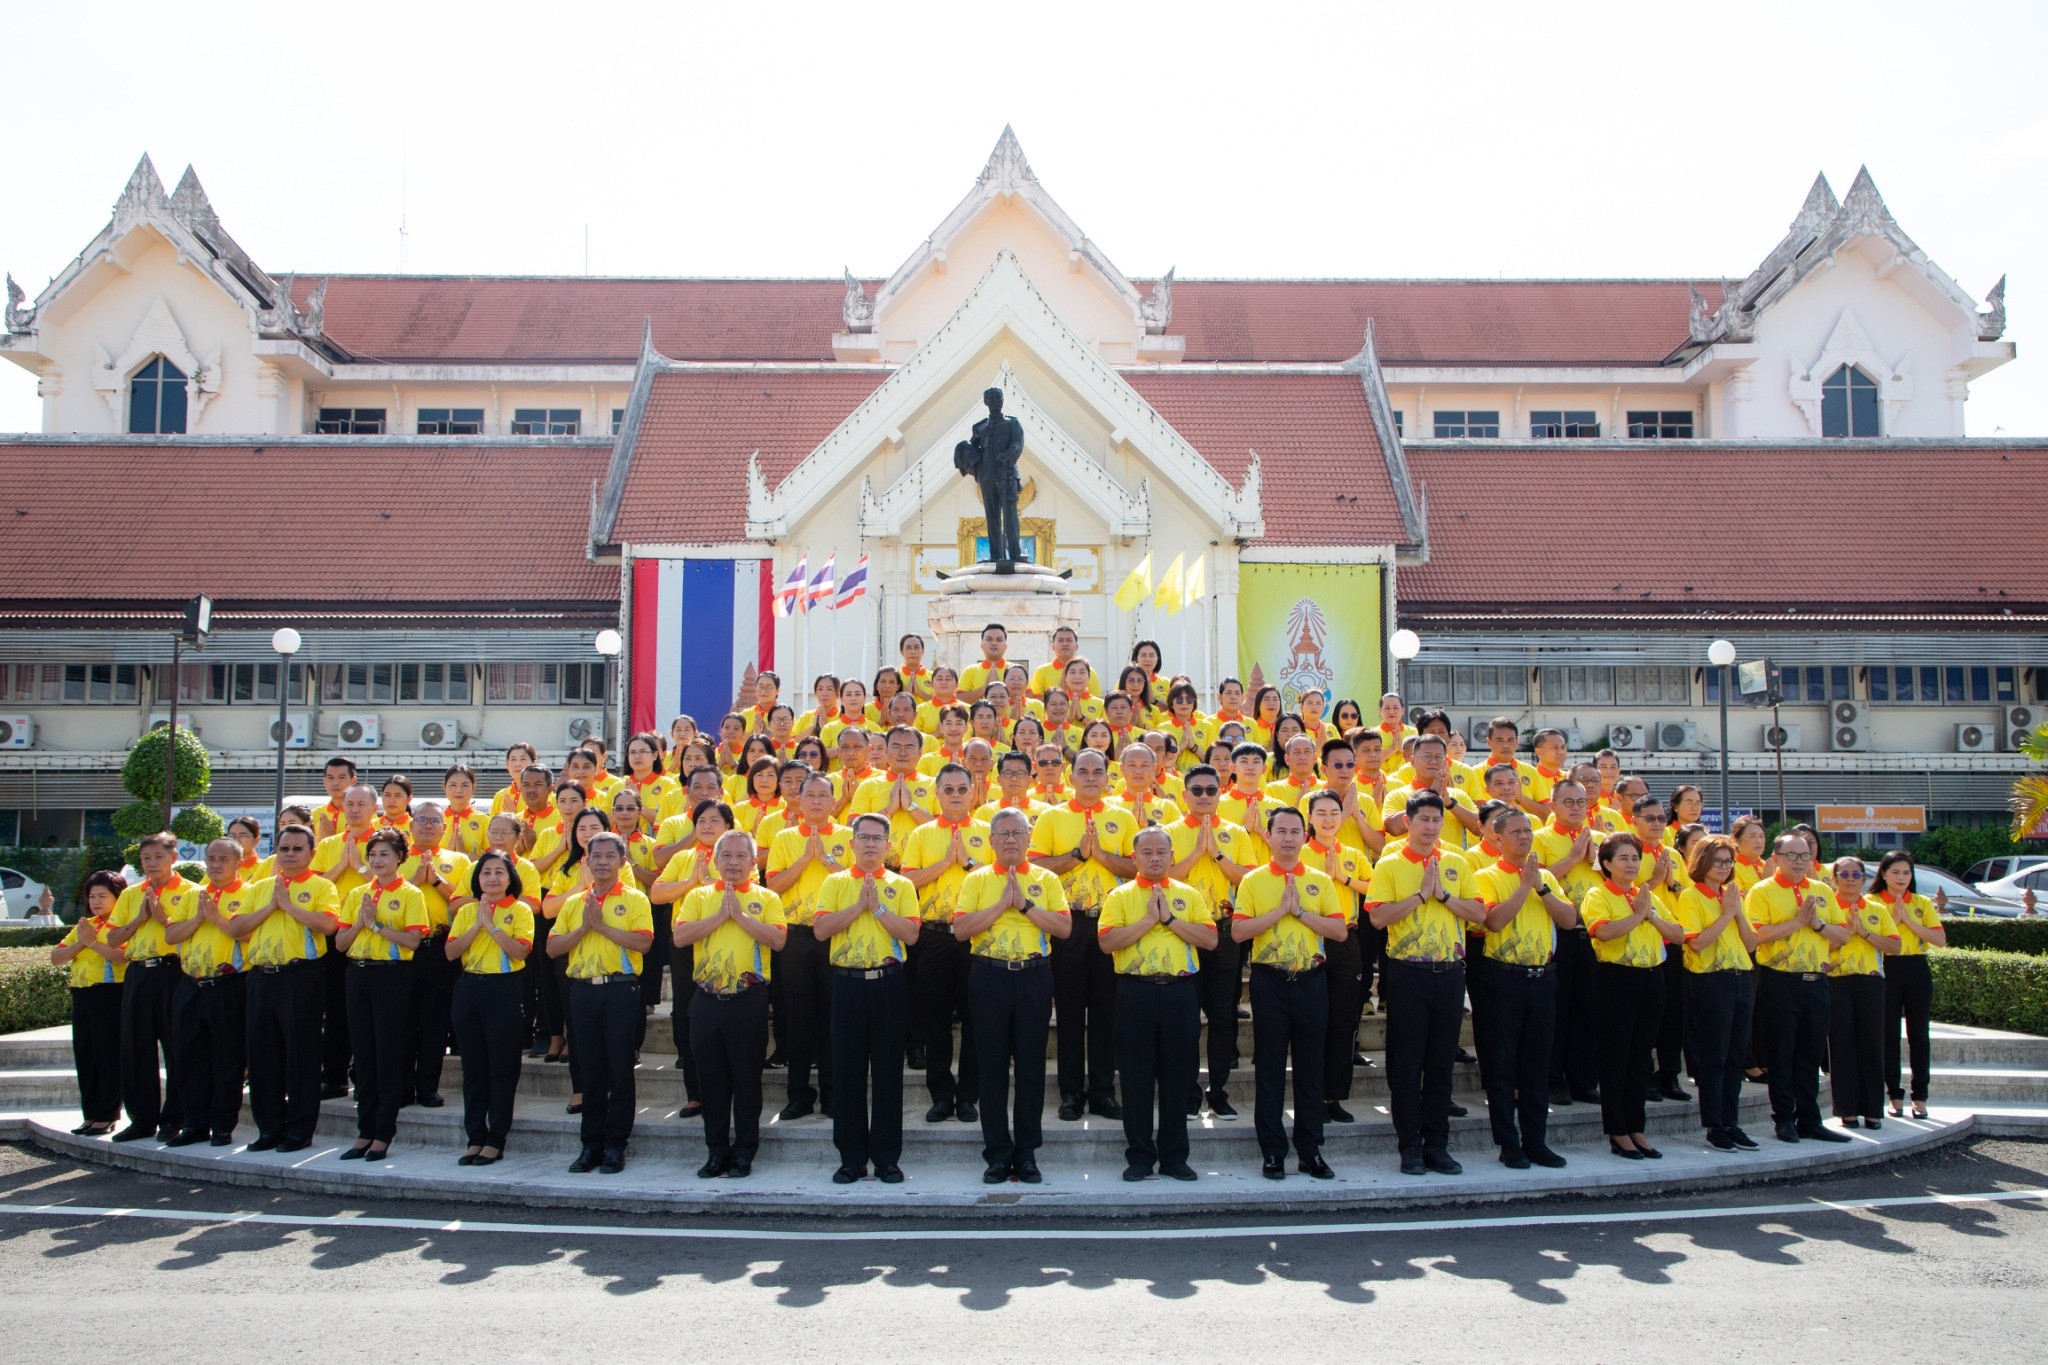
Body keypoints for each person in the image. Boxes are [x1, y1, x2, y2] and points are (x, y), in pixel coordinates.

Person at [1368, 790, 1484, 1176]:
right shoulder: (1390, 863)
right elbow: (1379, 918)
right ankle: (1410, 1145)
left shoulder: (1457, 861)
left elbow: (1477, 912)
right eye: (1424, 819)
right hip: (1407, 973)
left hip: (1449, 973)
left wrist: (1444, 895)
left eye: (1437, 819)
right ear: (1409, 820)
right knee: (1406, 1063)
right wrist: (1421, 895)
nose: (1431, 826)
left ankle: (1438, 1144)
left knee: (1440, 1064)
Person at [954, 808, 1071, 1184]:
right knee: (991, 1068)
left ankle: (1027, 1153)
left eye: (1017, 833)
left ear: (1028, 838)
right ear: (990, 840)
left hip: (1034, 978)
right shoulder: (975, 880)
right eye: (1002, 833)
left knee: (1031, 1068)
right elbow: (960, 930)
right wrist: (1001, 904)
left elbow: (1064, 929)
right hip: (988, 976)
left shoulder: (1047, 879)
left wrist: (1024, 904)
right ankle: (997, 1153)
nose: (1010, 839)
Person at [1098, 826, 1216, 1182]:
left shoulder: (1188, 894)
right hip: (1136, 992)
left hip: (1179, 992)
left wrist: (1169, 919)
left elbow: (1209, 939)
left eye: (1160, 852)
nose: (1154, 858)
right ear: (1133, 858)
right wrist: (1149, 919)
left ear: (1172, 856)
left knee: (1177, 1076)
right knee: (1135, 1077)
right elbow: (1107, 943)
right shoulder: (1120, 896)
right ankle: (1139, 1156)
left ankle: (1174, 1156)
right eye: (1146, 852)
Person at [1233, 807, 1346, 1179]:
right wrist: (1281, 910)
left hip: (1312, 981)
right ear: (1268, 835)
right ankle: (1273, 1151)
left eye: (1295, 831)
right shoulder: (1253, 881)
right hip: (1270, 982)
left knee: (1311, 1069)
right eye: (1280, 830)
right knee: (1269, 1069)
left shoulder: (1319, 879)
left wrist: (1298, 912)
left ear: (1304, 835)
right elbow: (1238, 932)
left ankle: (1310, 1150)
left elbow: (1339, 931)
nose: (1287, 837)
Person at [813, 813, 921, 1183]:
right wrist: (858, 906)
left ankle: (887, 1158)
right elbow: (822, 929)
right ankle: (851, 1158)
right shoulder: (835, 882)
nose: (870, 844)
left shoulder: (902, 885)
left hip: (888, 984)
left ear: (888, 846)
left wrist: (877, 908)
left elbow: (910, 935)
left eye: (878, 838)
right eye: (864, 837)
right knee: (847, 1073)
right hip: (847, 985)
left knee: (889, 1073)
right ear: (852, 843)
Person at [1031, 749, 1138, 1121]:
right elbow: (1036, 866)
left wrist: (1102, 856)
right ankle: (1071, 1092)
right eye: (1083, 771)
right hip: (1068, 925)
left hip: (1110, 923)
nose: (1090, 778)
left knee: (1108, 1011)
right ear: (1070, 776)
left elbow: (1137, 866)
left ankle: (1103, 1091)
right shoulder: (1052, 817)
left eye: (1098, 772)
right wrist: (1077, 855)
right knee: (1072, 1010)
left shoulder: (1122, 817)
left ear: (1109, 778)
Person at [675, 829, 788, 1178]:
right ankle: (716, 1150)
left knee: (746, 1079)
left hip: (748, 1000)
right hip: (707, 1000)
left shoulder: (766, 898)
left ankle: (744, 1152)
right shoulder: (697, 896)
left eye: (742, 856)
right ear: (715, 859)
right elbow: (680, 937)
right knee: (711, 1080)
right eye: (727, 856)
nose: (734, 862)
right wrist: (720, 916)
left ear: (754, 863)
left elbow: (778, 940)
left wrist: (739, 916)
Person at [1469, 808, 1576, 1169]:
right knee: (1502, 1066)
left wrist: (1541, 886)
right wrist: (1524, 887)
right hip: (1504, 979)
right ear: (1497, 839)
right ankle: (1508, 1142)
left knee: (1536, 1065)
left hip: (1542, 978)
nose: (1524, 837)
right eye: (1515, 832)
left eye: (1528, 830)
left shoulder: (1544, 876)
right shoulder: (1486, 875)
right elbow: (1493, 921)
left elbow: (1569, 919)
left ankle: (1536, 1140)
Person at [549, 831, 654, 1174]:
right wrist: (583, 929)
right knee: (590, 1070)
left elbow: (643, 944)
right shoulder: (573, 902)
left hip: (620, 990)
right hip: (582, 991)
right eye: (598, 856)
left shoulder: (636, 899)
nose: (604, 861)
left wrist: (602, 927)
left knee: (620, 1069)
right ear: (587, 860)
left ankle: (615, 1145)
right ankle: (590, 1144)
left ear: (622, 861)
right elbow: (552, 948)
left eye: (611, 856)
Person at [232, 824, 341, 1152]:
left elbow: (328, 925)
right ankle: (269, 1129)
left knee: (301, 1054)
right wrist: (271, 906)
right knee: (263, 1054)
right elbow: (237, 928)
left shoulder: (322, 886)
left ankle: (299, 1131)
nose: (290, 854)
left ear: (311, 853)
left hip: (300, 977)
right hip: (261, 977)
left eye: (297, 849)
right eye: (284, 849)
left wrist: (290, 906)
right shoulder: (260, 887)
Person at [1579, 834, 1684, 1159]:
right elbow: (1604, 932)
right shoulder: (1598, 894)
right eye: (1623, 858)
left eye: (1635, 858)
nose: (1631, 864)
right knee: (1616, 1058)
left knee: (1641, 1058)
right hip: (1617, 980)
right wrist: (1640, 916)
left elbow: (1678, 934)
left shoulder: (1646, 895)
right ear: (1607, 864)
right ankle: (1618, 1131)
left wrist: (1649, 913)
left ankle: (1637, 1127)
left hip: (1652, 978)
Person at [1745, 834, 1854, 1145]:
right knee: (1782, 1053)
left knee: (1810, 1053)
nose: (1798, 861)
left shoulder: (1821, 890)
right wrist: (1796, 923)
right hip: (1779, 981)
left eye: (1804, 856)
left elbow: (1843, 935)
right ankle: (1784, 1119)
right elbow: (1756, 936)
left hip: (1817, 981)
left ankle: (1810, 1119)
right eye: (1791, 855)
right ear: (1776, 858)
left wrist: (1817, 925)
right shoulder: (1761, 891)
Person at [898, 765, 991, 1122]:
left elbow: (998, 879)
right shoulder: (922, 834)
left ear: (973, 792)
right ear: (936, 793)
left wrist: (966, 863)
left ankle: (968, 1095)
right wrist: (945, 863)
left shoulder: (987, 830)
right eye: (948, 789)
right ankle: (940, 1095)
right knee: (934, 1021)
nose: (955, 795)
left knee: (974, 1019)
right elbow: (908, 882)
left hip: (976, 938)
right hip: (934, 937)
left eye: (961, 789)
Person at [333, 829, 429, 1160]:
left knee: (387, 1053)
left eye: (384, 854)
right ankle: (364, 1130)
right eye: (372, 854)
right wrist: (360, 923)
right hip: (357, 972)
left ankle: (383, 1132)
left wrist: (376, 927)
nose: (377, 860)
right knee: (363, 1053)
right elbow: (340, 944)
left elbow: (413, 942)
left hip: (391, 974)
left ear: (400, 858)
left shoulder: (410, 893)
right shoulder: (358, 893)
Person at [158, 837, 259, 1148]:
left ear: (239, 862)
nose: (215, 865)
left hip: (228, 985)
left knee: (227, 1058)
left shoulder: (249, 894)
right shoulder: (194, 895)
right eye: (211, 859)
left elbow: (247, 935)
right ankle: (194, 1123)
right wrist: (199, 919)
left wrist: (216, 919)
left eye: (223, 859)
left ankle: (222, 1124)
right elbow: (171, 934)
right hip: (191, 984)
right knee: (189, 1057)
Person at [764, 773, 854, 1121]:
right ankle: (798, 1094)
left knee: (835, 1017)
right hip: (795, 936)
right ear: (798, 802)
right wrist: (805, 858)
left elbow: (856, 882)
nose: (816, 802)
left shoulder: (848, 836)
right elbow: (773, 885)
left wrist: (827, 860)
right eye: (810, 796)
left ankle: (833, 1093)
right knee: (798, 1017)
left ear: (834, 802)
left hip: (836, 935)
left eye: (823, 796)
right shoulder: (785, 838)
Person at [1168, 765, 1256, 1117]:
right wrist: (1196, 852)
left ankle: (1217, 1089)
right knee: (1186, 1015)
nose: (1204, 796)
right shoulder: (1170, 832)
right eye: (1197, 790)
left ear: (1221, 793)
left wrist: (1217, 854)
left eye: (1211, 790)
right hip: (1182, 932)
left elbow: (1248, 881)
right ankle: (1188, 1090)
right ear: (1184, 794)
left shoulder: (1235, 833)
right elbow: (1162, 877)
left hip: (1223, 930)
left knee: (1222, 1014)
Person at [103, 832, 195, 1143]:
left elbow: (192, 934)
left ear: (174, 857)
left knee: (177, 1047)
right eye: (146, 859)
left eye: (158, 856)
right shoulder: (131, 895)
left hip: (173, 972)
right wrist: (140, 920)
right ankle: (142, 1119)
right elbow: (113, 939)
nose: (152, 863)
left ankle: (173, 1118)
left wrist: (163, 917)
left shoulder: (191, 891)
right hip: (138, 973)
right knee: (136, 1048)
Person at [1674, 834, 1761, 1152]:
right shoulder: (1691, 896)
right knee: (1715, 1056)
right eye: (1718, 861)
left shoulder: (1733, 896)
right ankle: (1714, 1125)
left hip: (1741, 978)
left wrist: (1736, 911)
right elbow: (1696, 942)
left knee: (1736, 1057)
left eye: (1729, 861)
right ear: (1702, 862)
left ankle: (1731, 1122)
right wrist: (1726, 914)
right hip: (1711, 980)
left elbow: (1752, 945)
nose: (1724, 867)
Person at [446, 851, 532, 1166]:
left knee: (502, 1067)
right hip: (469, 987)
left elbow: (521, 951)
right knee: (473, 1068)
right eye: (486, 873)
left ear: (510, 878)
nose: (492, 878)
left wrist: (493, 927)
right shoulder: (468, 910)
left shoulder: (520, 910)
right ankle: (475, 1137)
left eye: (499, 872)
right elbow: (452, 952)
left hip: (504, 989)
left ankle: (496, 1137)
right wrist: (478, 924)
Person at [1302, 791, 1372, 1124]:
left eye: (1334, 812)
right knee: (1312, 1022)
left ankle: (1334, 1096)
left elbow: (1376, 891)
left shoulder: (1354, 854)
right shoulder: (1299, 855)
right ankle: (1311, 1095)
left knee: (1343, 1021)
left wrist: (1342, 878)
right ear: (1310, 817)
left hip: (1347, 940)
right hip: (1310, 939)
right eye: (1321, 813)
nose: (1328, 819)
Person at [400, 804, 470, 1109]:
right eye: (422, 821)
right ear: (411, 826)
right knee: (401, 1021)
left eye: (434, 821)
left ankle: (428, 1087)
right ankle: (401, 1087)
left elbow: (461, 902)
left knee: (434, 1021)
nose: (428, 826)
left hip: (440, 947)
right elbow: (385, 897)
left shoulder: (458, 860)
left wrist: (436, 881)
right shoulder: (397, 857)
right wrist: (415, 881)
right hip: (401, 948)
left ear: (444, 828)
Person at [52, 870, 128, 1136]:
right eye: (92, 896)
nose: (95, 901)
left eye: (102, 896)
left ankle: (107, 1115)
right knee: (85, 1054)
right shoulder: (87, 924)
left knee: (107, 1054)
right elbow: (57, 956)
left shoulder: (123, 924)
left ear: (119, 897)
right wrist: (82, 943)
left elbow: (122, 957)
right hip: (82, 993)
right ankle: (91, 1114)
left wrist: (91, 943)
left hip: (109, 993)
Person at [1827, 856, 1900, 1129]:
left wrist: (1864, 933)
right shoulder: (1827, 906)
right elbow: (1819, 947)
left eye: (1856, 874)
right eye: (1843, 874)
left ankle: (1873, 1110)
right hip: (1837, 980)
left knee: (1872, 1044)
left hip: (1871, 981)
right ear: (1834, 879)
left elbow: (1895, 947)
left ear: (1864, 879)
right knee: (1841, 1045)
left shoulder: (1877, 909)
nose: (1849, 879)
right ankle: (1846, 1109)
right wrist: (1847, 932)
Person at [1874, 851, 1942, 1119]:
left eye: (1906, 873)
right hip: (1886, 968)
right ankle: (1894, 1095)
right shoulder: (1872, 901)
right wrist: (1893, 920)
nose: (1901, 878)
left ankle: (1920, 1097)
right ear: (1883, 874)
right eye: (1895, 872)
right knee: (1889, 1034)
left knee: (1919, 1036)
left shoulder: (1922, 903)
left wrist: (1908, 922)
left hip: (1916, 967)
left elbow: (1939, 939)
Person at [442, 763, 490, 858]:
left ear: (473, 788)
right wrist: (449, 851)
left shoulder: (484, 820)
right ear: (444, 787)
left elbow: (493, 860)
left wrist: (464, 853)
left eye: (464, 785)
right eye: (453, 785)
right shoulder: (436, 819)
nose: (458, 790)